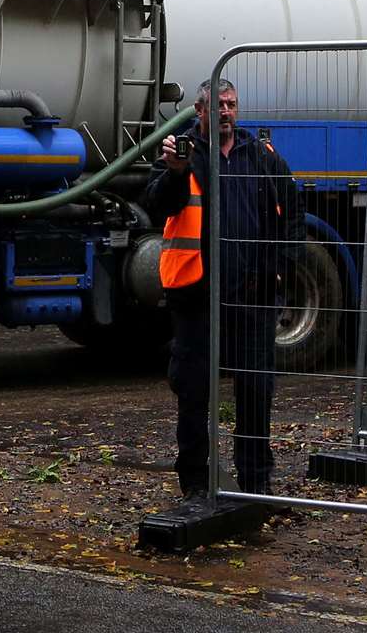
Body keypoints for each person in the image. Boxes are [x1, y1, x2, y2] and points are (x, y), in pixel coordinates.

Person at [140, 78, 302, 500]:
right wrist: (175, 174)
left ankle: (255, 485)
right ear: (200, 111)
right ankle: (195, 485)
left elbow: (294, 216)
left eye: (232, 104)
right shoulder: (183, 156)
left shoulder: (262, 156)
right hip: (197, 297)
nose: (227, 112)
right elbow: (158, 205)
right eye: (219, 106)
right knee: (194, 394)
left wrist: (278, 269)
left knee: (254, 392)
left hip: (253, 298)